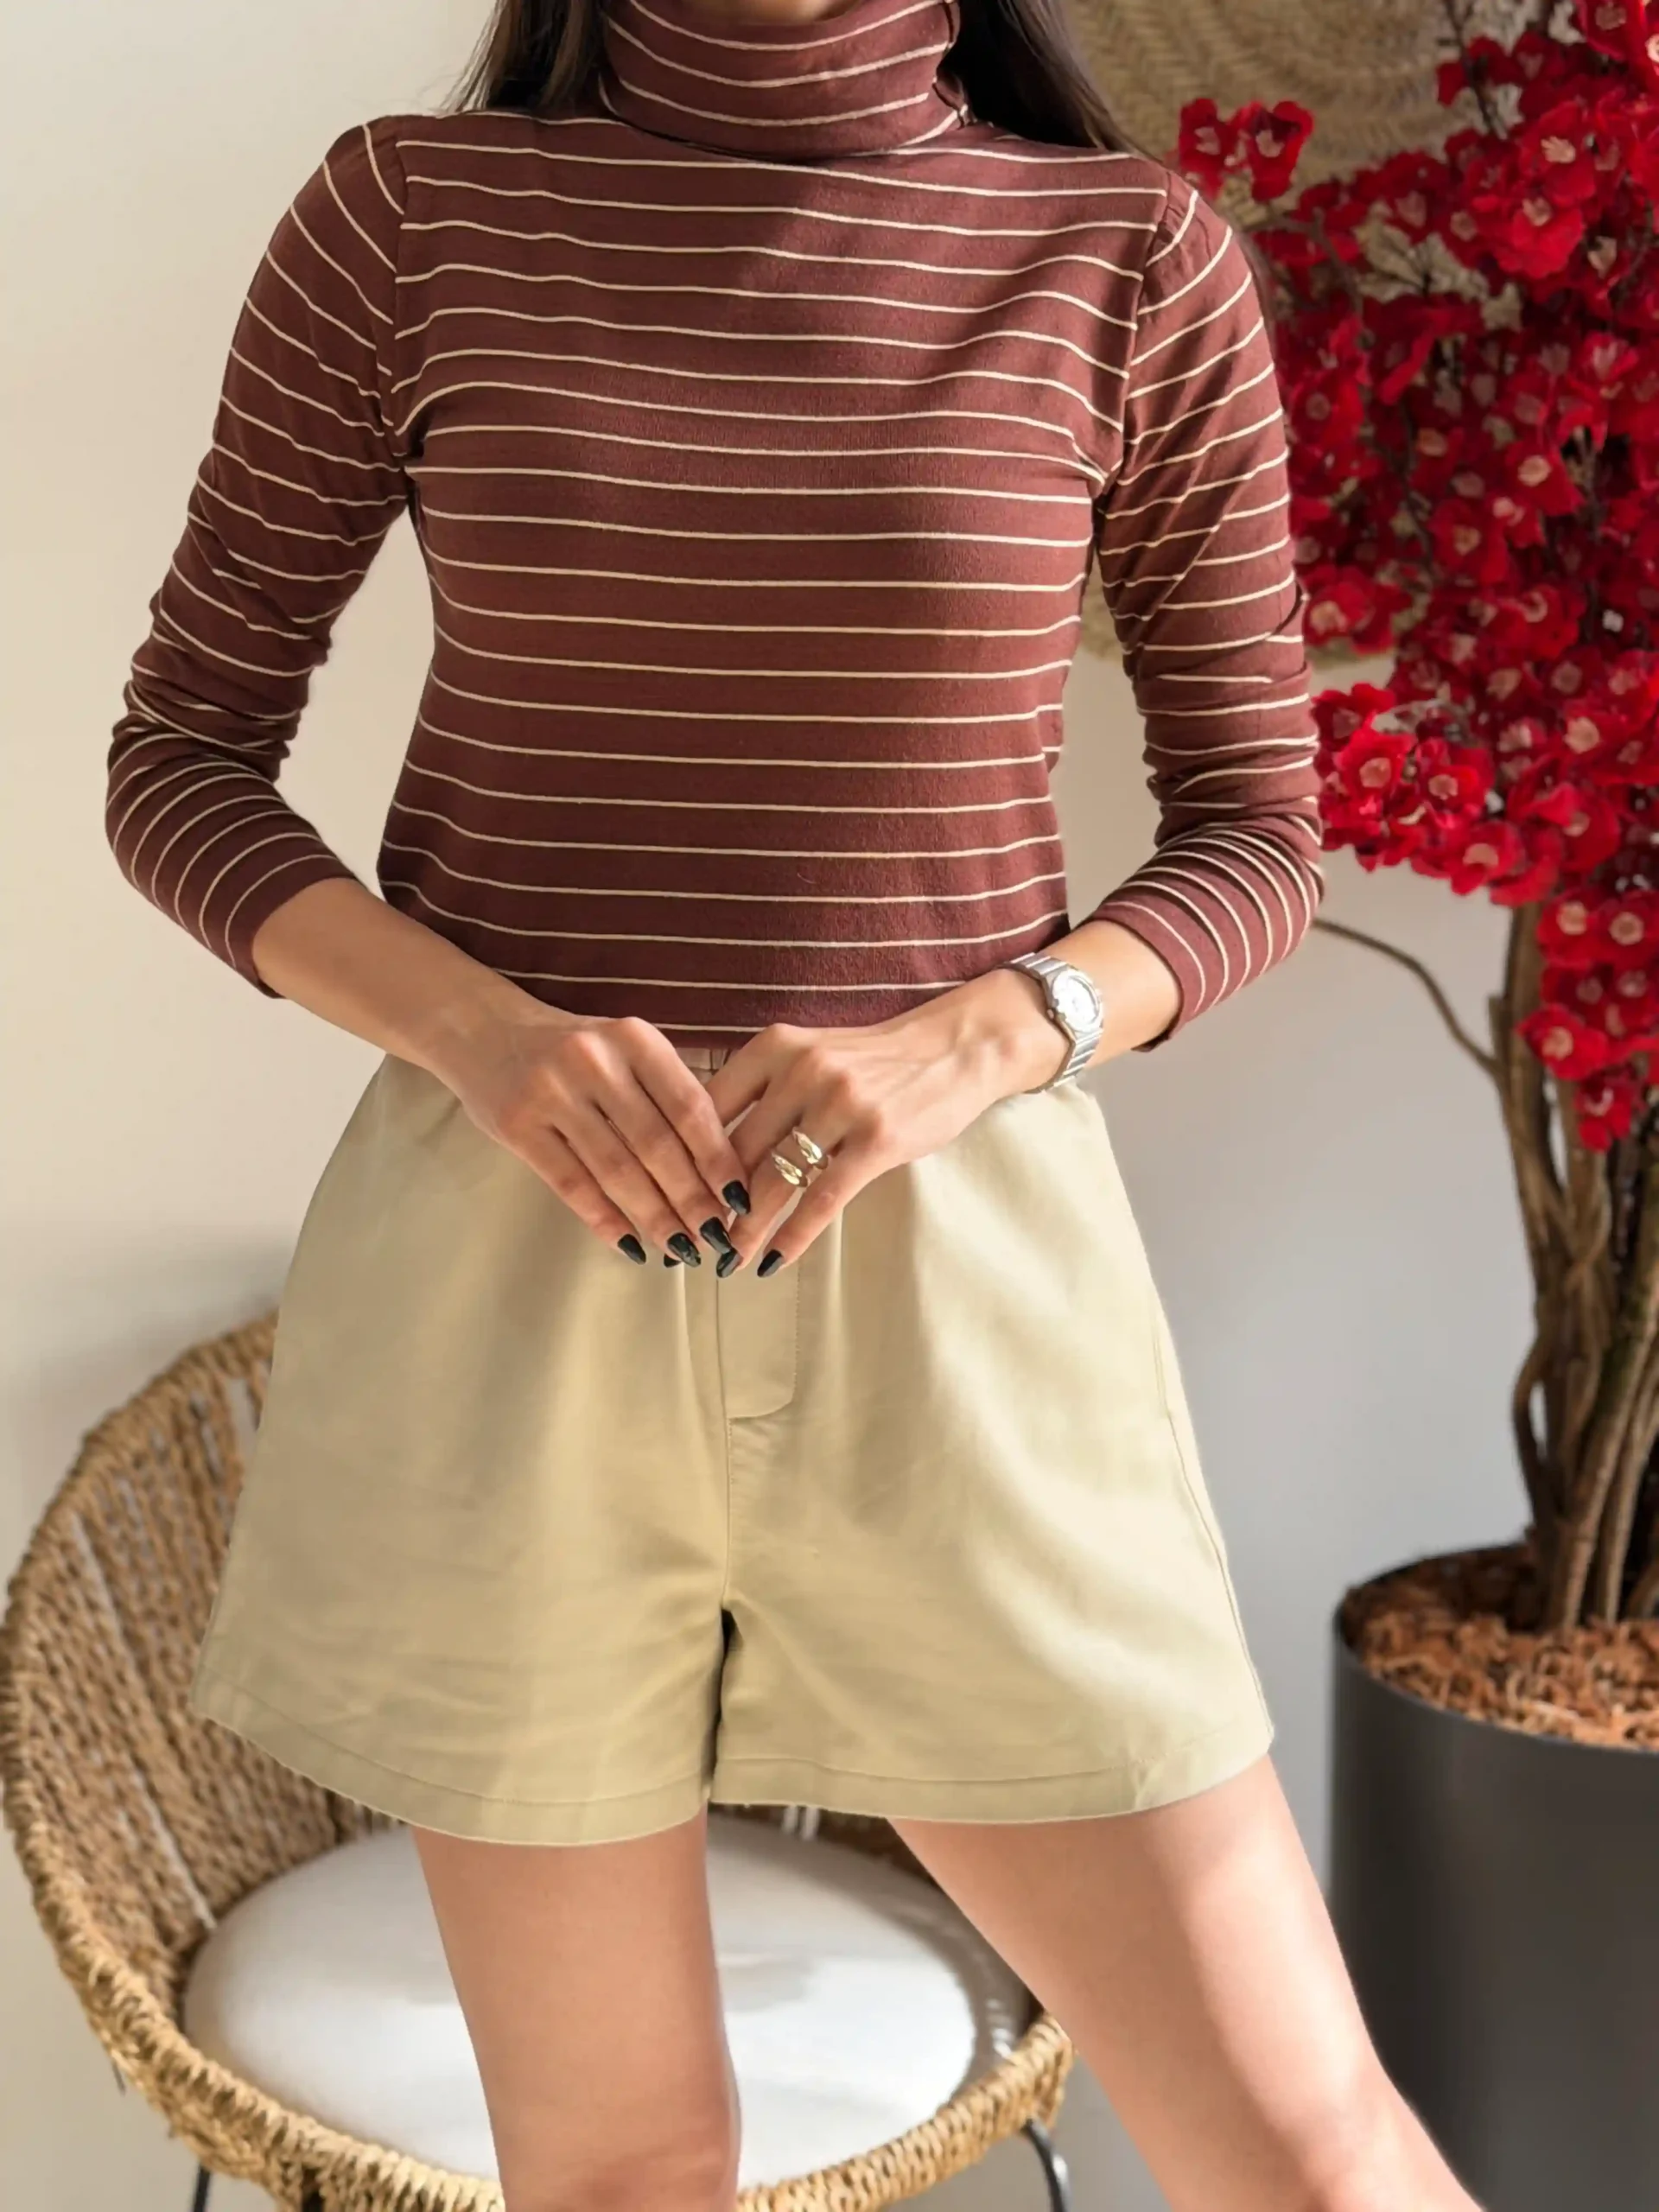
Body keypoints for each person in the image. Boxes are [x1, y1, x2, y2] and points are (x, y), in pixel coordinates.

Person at [103, 0, 1481, 2204]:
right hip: (508, 1287)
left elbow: (1257, 831)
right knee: (623, 2167)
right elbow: (181, 755)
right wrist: (483, 1031)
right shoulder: (414, 217)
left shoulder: (1125, 253)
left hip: (967, 1289)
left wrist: (988, 1032)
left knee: (1303, 2146)